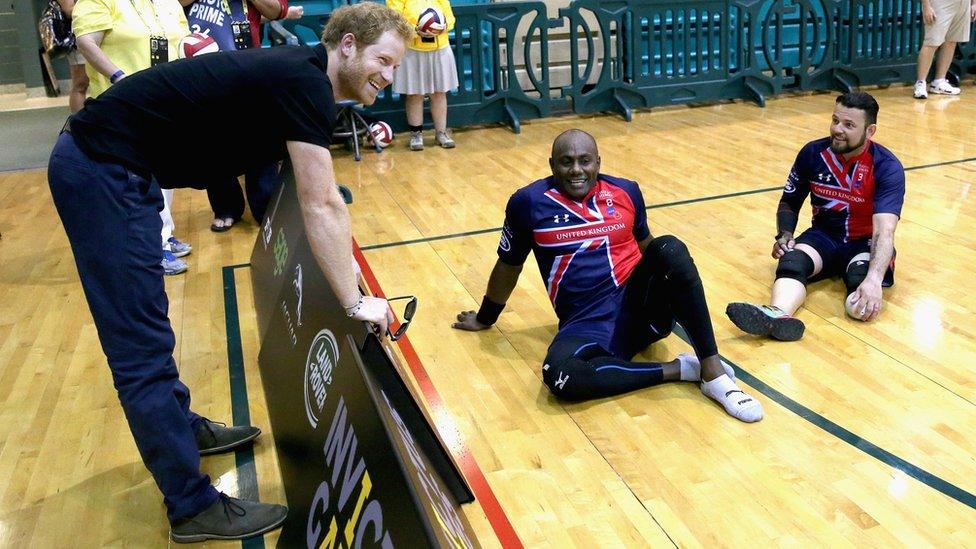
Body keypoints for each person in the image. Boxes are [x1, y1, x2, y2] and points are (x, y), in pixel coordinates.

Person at [47, 3, 412, 542]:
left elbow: (307, 198)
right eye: (384, 59)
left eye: (396, 66)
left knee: (153, 329)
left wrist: (351, 283)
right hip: (100, 168)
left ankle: (184, 429)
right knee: (138, 350)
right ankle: (190, 505)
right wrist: (358, 305)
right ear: (349, 45)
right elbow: (320, 205)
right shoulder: (302, 80)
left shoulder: (301, 79)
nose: (389, 75)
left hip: (127, 165)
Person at [452, 129, 763, 423]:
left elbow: (650, 252)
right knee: (560, 377)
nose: (576, 170)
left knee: (669, 248)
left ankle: (712, 371)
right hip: (584, 324)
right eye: (566, 161)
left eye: (584, 161)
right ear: (551, 165)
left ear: (598, 162)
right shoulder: (528, 203)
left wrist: (675, 298)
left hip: (640, 312)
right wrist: (486, 317)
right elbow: (509, 265)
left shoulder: (626, 191)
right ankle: (679, 370)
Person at [726, 92, 905, 341]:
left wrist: (874, 281)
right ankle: (777, 316)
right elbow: (790, 200)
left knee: (858, 303)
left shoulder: (886, 166)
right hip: (824, 237)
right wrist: (785, 234)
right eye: (835, 120)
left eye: (849, 125)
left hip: (863, 242)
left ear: (870, 130)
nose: (837, 130)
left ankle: (862, 284)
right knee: (792, 262)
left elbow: (884, 230)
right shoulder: (812, 153)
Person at [73, 0, 194, 275]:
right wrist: (118, 76)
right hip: (123, 105)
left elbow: (182, 41)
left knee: (163, 174)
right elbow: (86, 42)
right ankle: (153, 249)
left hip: (163, 102)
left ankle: (164, 235)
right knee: (138, 180)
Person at [179, 0, 302, 232]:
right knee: (211, 144)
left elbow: (278, 10)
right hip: (199, 70)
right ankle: (226, 207)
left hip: (248, 66)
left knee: (260, 139)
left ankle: (265, 206)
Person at [389, 0, 458, 150]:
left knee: (439, 93)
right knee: (414, 94)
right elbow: (395, 20)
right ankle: (416, 135)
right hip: (413, 51)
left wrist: (444, 26)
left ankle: (441, 133)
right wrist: (415, 30)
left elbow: (450, 17)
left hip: (440, 49)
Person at [912, 0, 974, 98]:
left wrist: (974, 3)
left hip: (963, 3)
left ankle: (939, 81)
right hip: (941, 2)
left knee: (951, 41)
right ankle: (920, 83)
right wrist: (926, 6)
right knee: (931, 43)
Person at [56, 0, 90, 113]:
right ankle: (77, 122)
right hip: (79, 35)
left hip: (101, 32)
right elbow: (69, 10)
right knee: (80, 84)